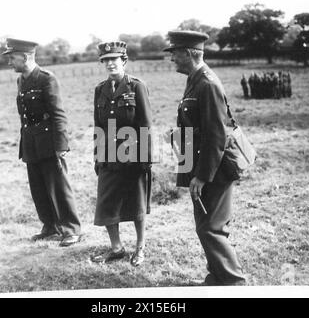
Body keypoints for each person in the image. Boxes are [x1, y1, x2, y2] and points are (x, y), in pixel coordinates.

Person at [163, 30, 246, 285]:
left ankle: (233, 283)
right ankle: (218, 276)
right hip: (204, 162)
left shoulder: (207, 83)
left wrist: (201, 176)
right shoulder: (195, 79)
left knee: (211, 227)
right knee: (205, 224)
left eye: (175, 53)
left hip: (216, 168)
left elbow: (216, 135)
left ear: (188, 53)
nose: (172, 58)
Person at [2, 38, 82, 247]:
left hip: (48, 141)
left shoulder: (47, 79)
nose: (9, 62)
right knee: (38, 188)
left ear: (26, 57)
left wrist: (61, 145)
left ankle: (71, 229)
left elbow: (58, 114)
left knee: (59, 187)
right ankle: (50, 226)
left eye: (12, 57)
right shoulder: (21, 80)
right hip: (30, 141)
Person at [91, 41, 152, 266]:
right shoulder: (100, 89)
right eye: (105, 61)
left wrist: (145, 159)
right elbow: (98, 126)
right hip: (108, 155)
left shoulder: (137, 87)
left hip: (133, 155)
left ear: (123, 61)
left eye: (114, 60)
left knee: (136, 204)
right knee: (106, 203)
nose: (109, 64)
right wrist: (97, 156)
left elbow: (145, 124)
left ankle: (140, 247)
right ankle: (116, 248)